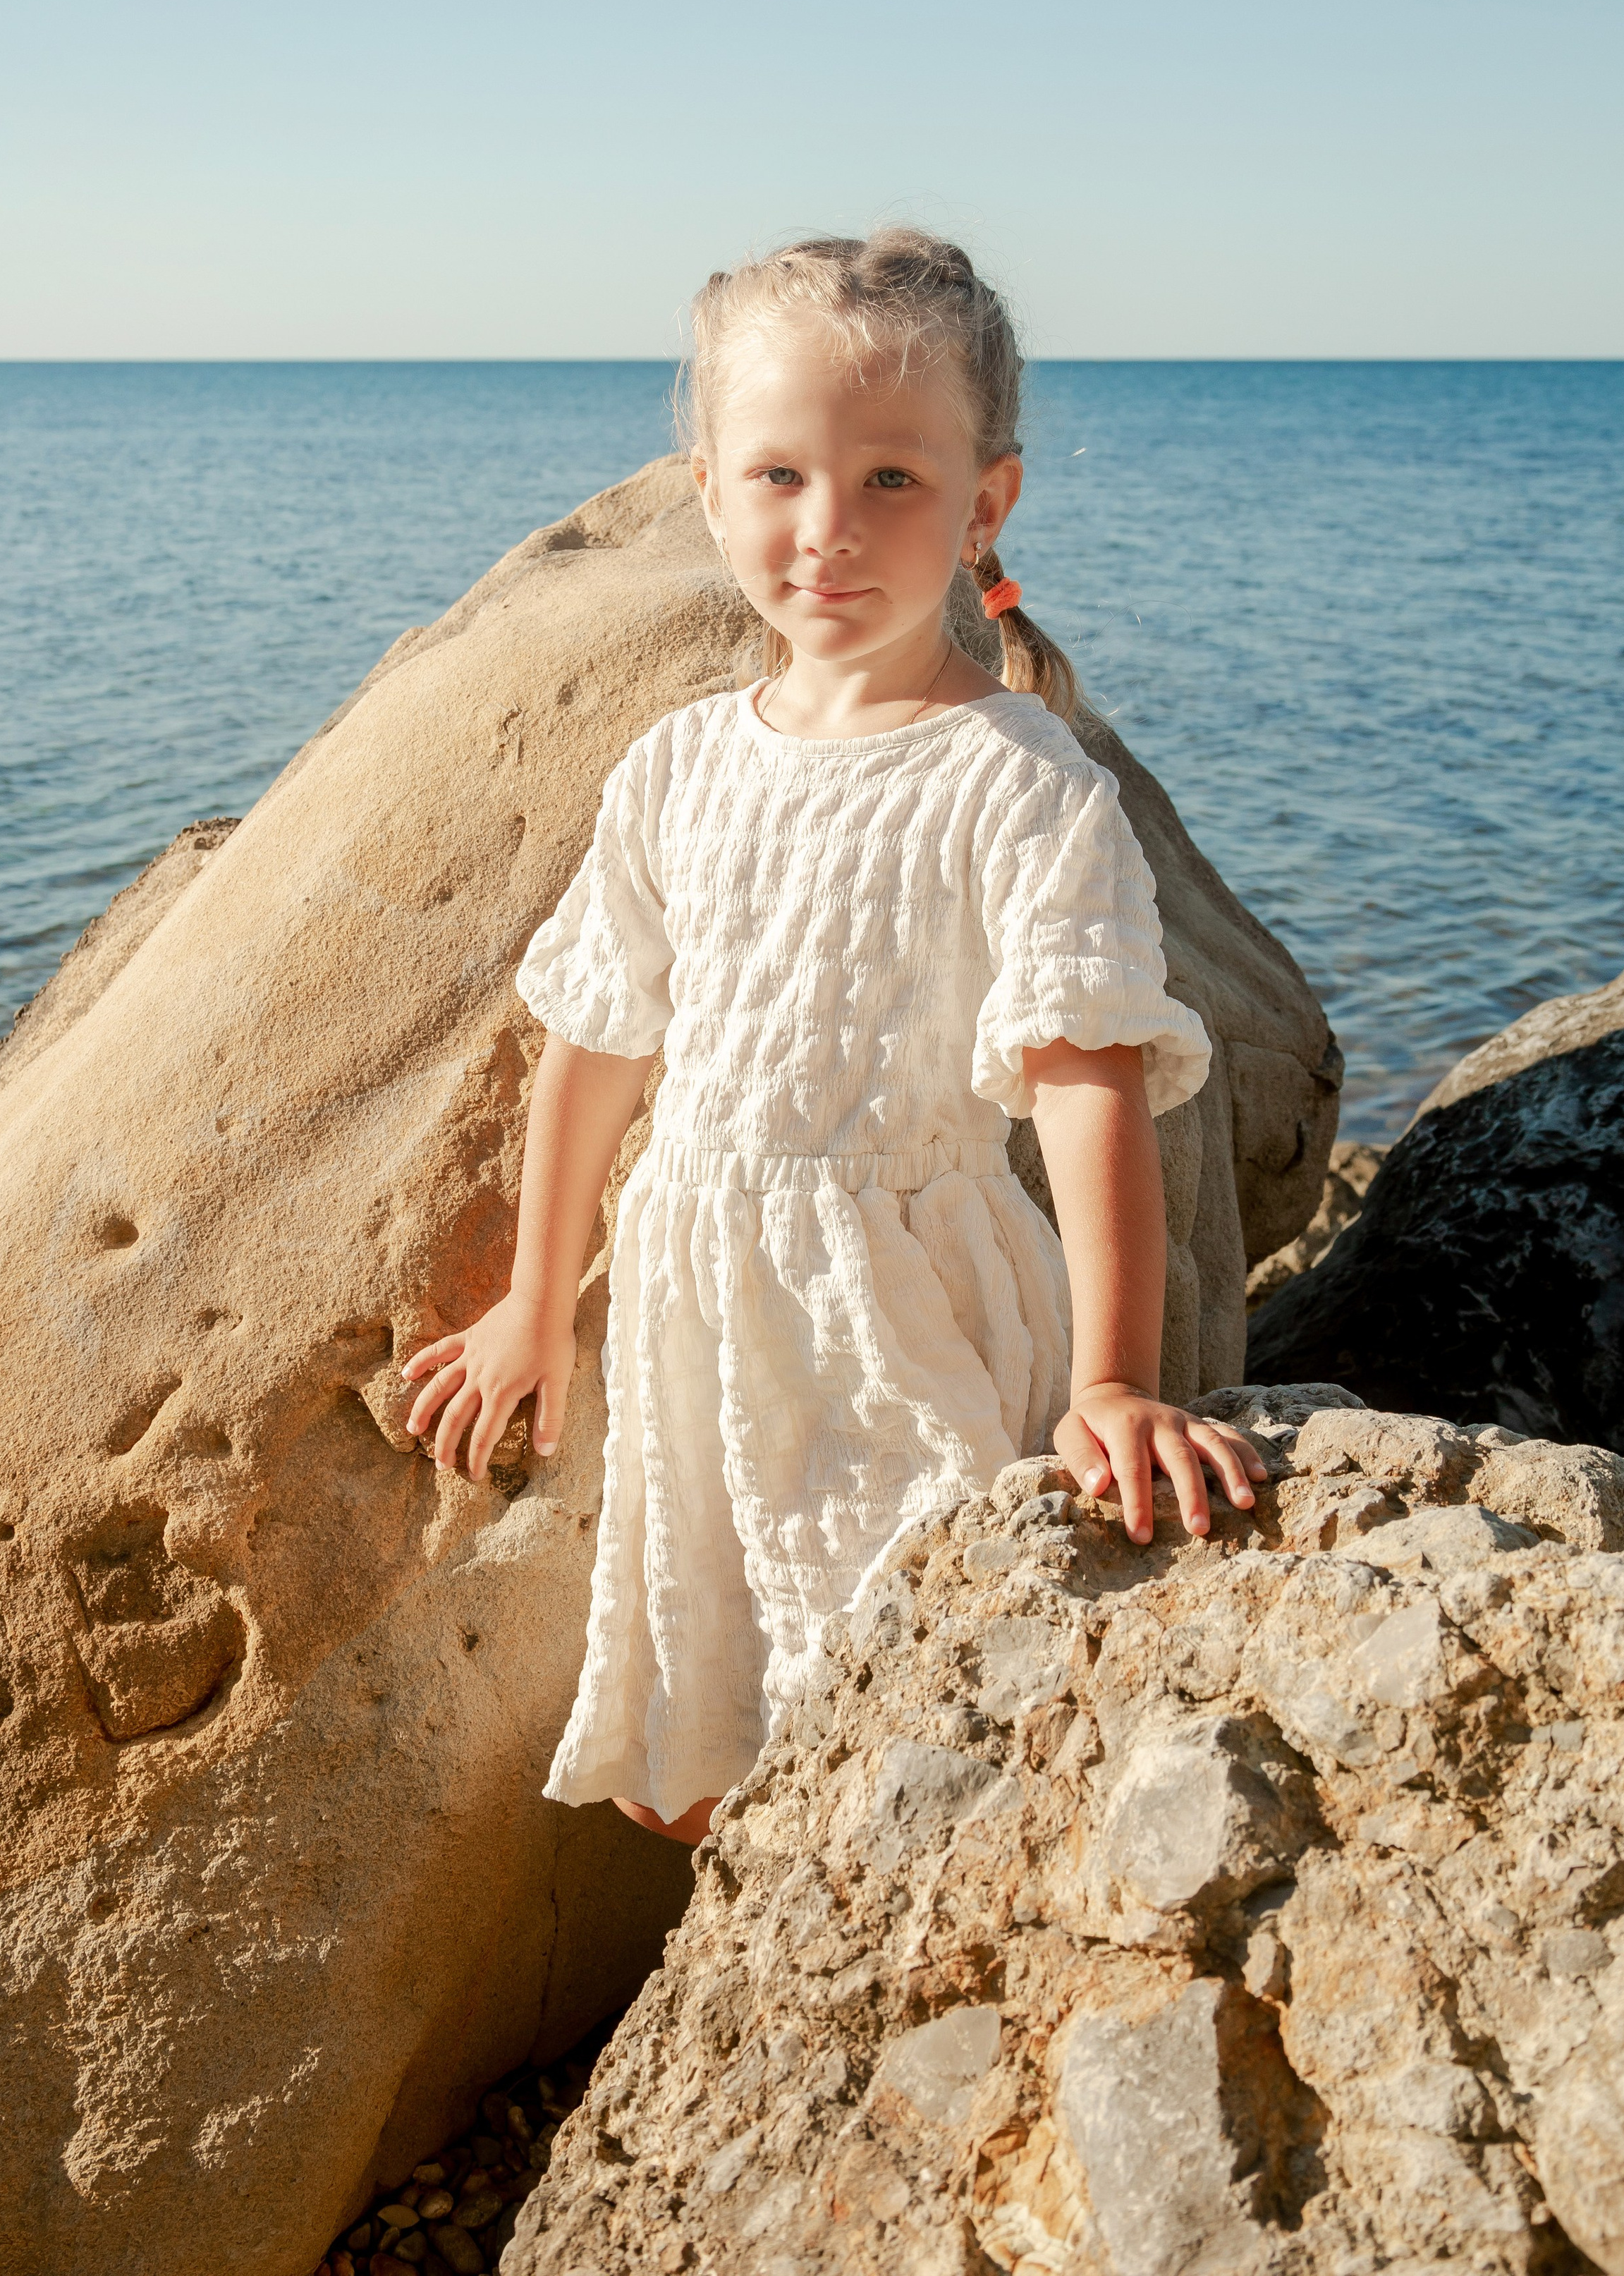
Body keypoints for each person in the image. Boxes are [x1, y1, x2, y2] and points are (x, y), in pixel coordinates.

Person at [401, 229, 1266, 1845]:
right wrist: (533, 1303)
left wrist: (1113, 1378)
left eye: (888, 481)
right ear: (707, 491)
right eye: (780, 476)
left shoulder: (1020, 785)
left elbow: (1086, 1078)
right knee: (688, 1753)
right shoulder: (675, 767)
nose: (827, 529)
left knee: (903, 1722)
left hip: (902, 1298)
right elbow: (597, 1044)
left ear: (983, 504)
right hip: (696, 1299)